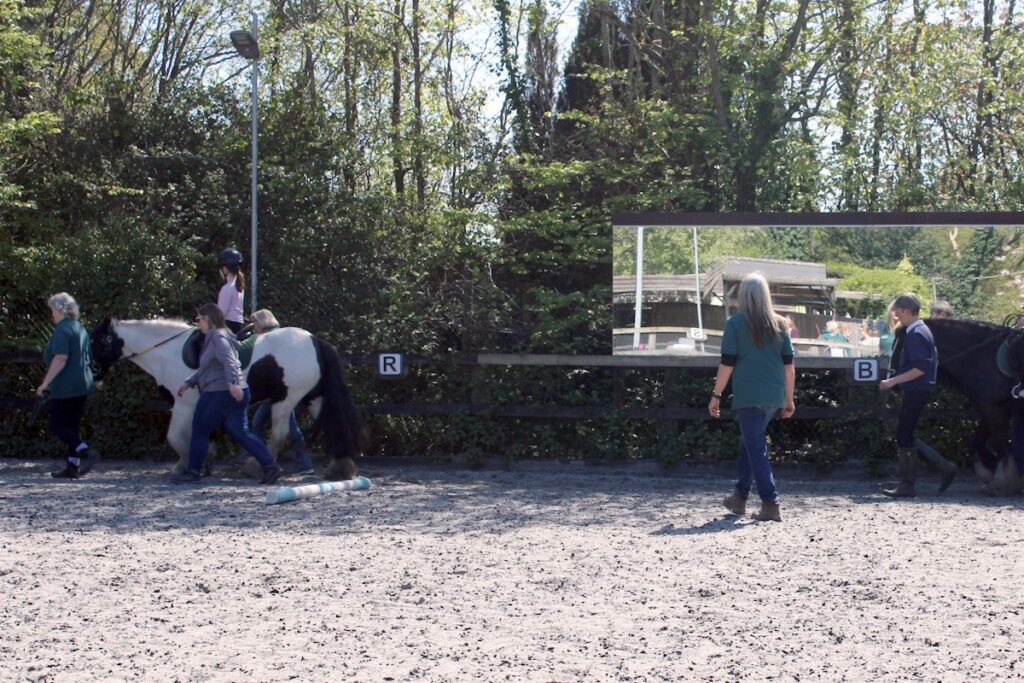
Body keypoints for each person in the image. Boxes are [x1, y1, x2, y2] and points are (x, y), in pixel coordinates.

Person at [710, 273, 796, 522]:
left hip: (749, 396)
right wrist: (789, 399)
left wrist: (716, 395)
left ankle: (771, 503)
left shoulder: (735, 324)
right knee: (749, 445)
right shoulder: (781, 325)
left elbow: (727, 364)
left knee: (756, 448)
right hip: (773, 397)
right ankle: (739, 497)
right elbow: (789, 367)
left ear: (743, 296)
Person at [172, 303, 282, 485]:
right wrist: (189, 381)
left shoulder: (217, 338)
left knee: (200, 428)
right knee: (240, 432)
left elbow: (230, 362)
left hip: (219, 392)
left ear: (208, 319)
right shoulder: (219, 336)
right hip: (231, 392)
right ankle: (271, 466)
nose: (198, 322)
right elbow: (208, 366)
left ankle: (193, 472)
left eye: (199, 319)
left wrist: (233, 384)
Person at [879, 293, 947, 497]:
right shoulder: (918, 330)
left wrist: (893, 381)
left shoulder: (916, 333)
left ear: (908, 310)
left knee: (903, 434)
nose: (896, 315)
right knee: (905, 434)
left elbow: (920, 368)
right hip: (918, 388)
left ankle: (908, 484)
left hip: (917, 388)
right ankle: (944, 468)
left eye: (898, 311)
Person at [37, 293, 101, 479]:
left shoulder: (62, 329)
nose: (51, 315)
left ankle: (86, 451)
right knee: (72, 427)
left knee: (57, 424)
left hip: (65, 386)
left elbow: (61, 358)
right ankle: (73, 466)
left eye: (52, 310)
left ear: (59, 310)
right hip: (82, 384)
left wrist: (45, 383)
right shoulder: (79, 328)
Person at [249, 309, 314, 475]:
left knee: (286, 425)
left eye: (255, 322)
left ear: (262, 323)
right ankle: (261, 458)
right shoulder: (279, 338)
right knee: (259, 422)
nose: (253, 326)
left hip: (280, 391)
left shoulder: (271, 341)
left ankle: (300, 461)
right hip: (277, 391)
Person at [216, 248, 246, 335]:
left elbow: (221, 314)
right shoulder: (239, 286)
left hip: (228, 325)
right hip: (239, 325)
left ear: (225, 269)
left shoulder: (226, 288)